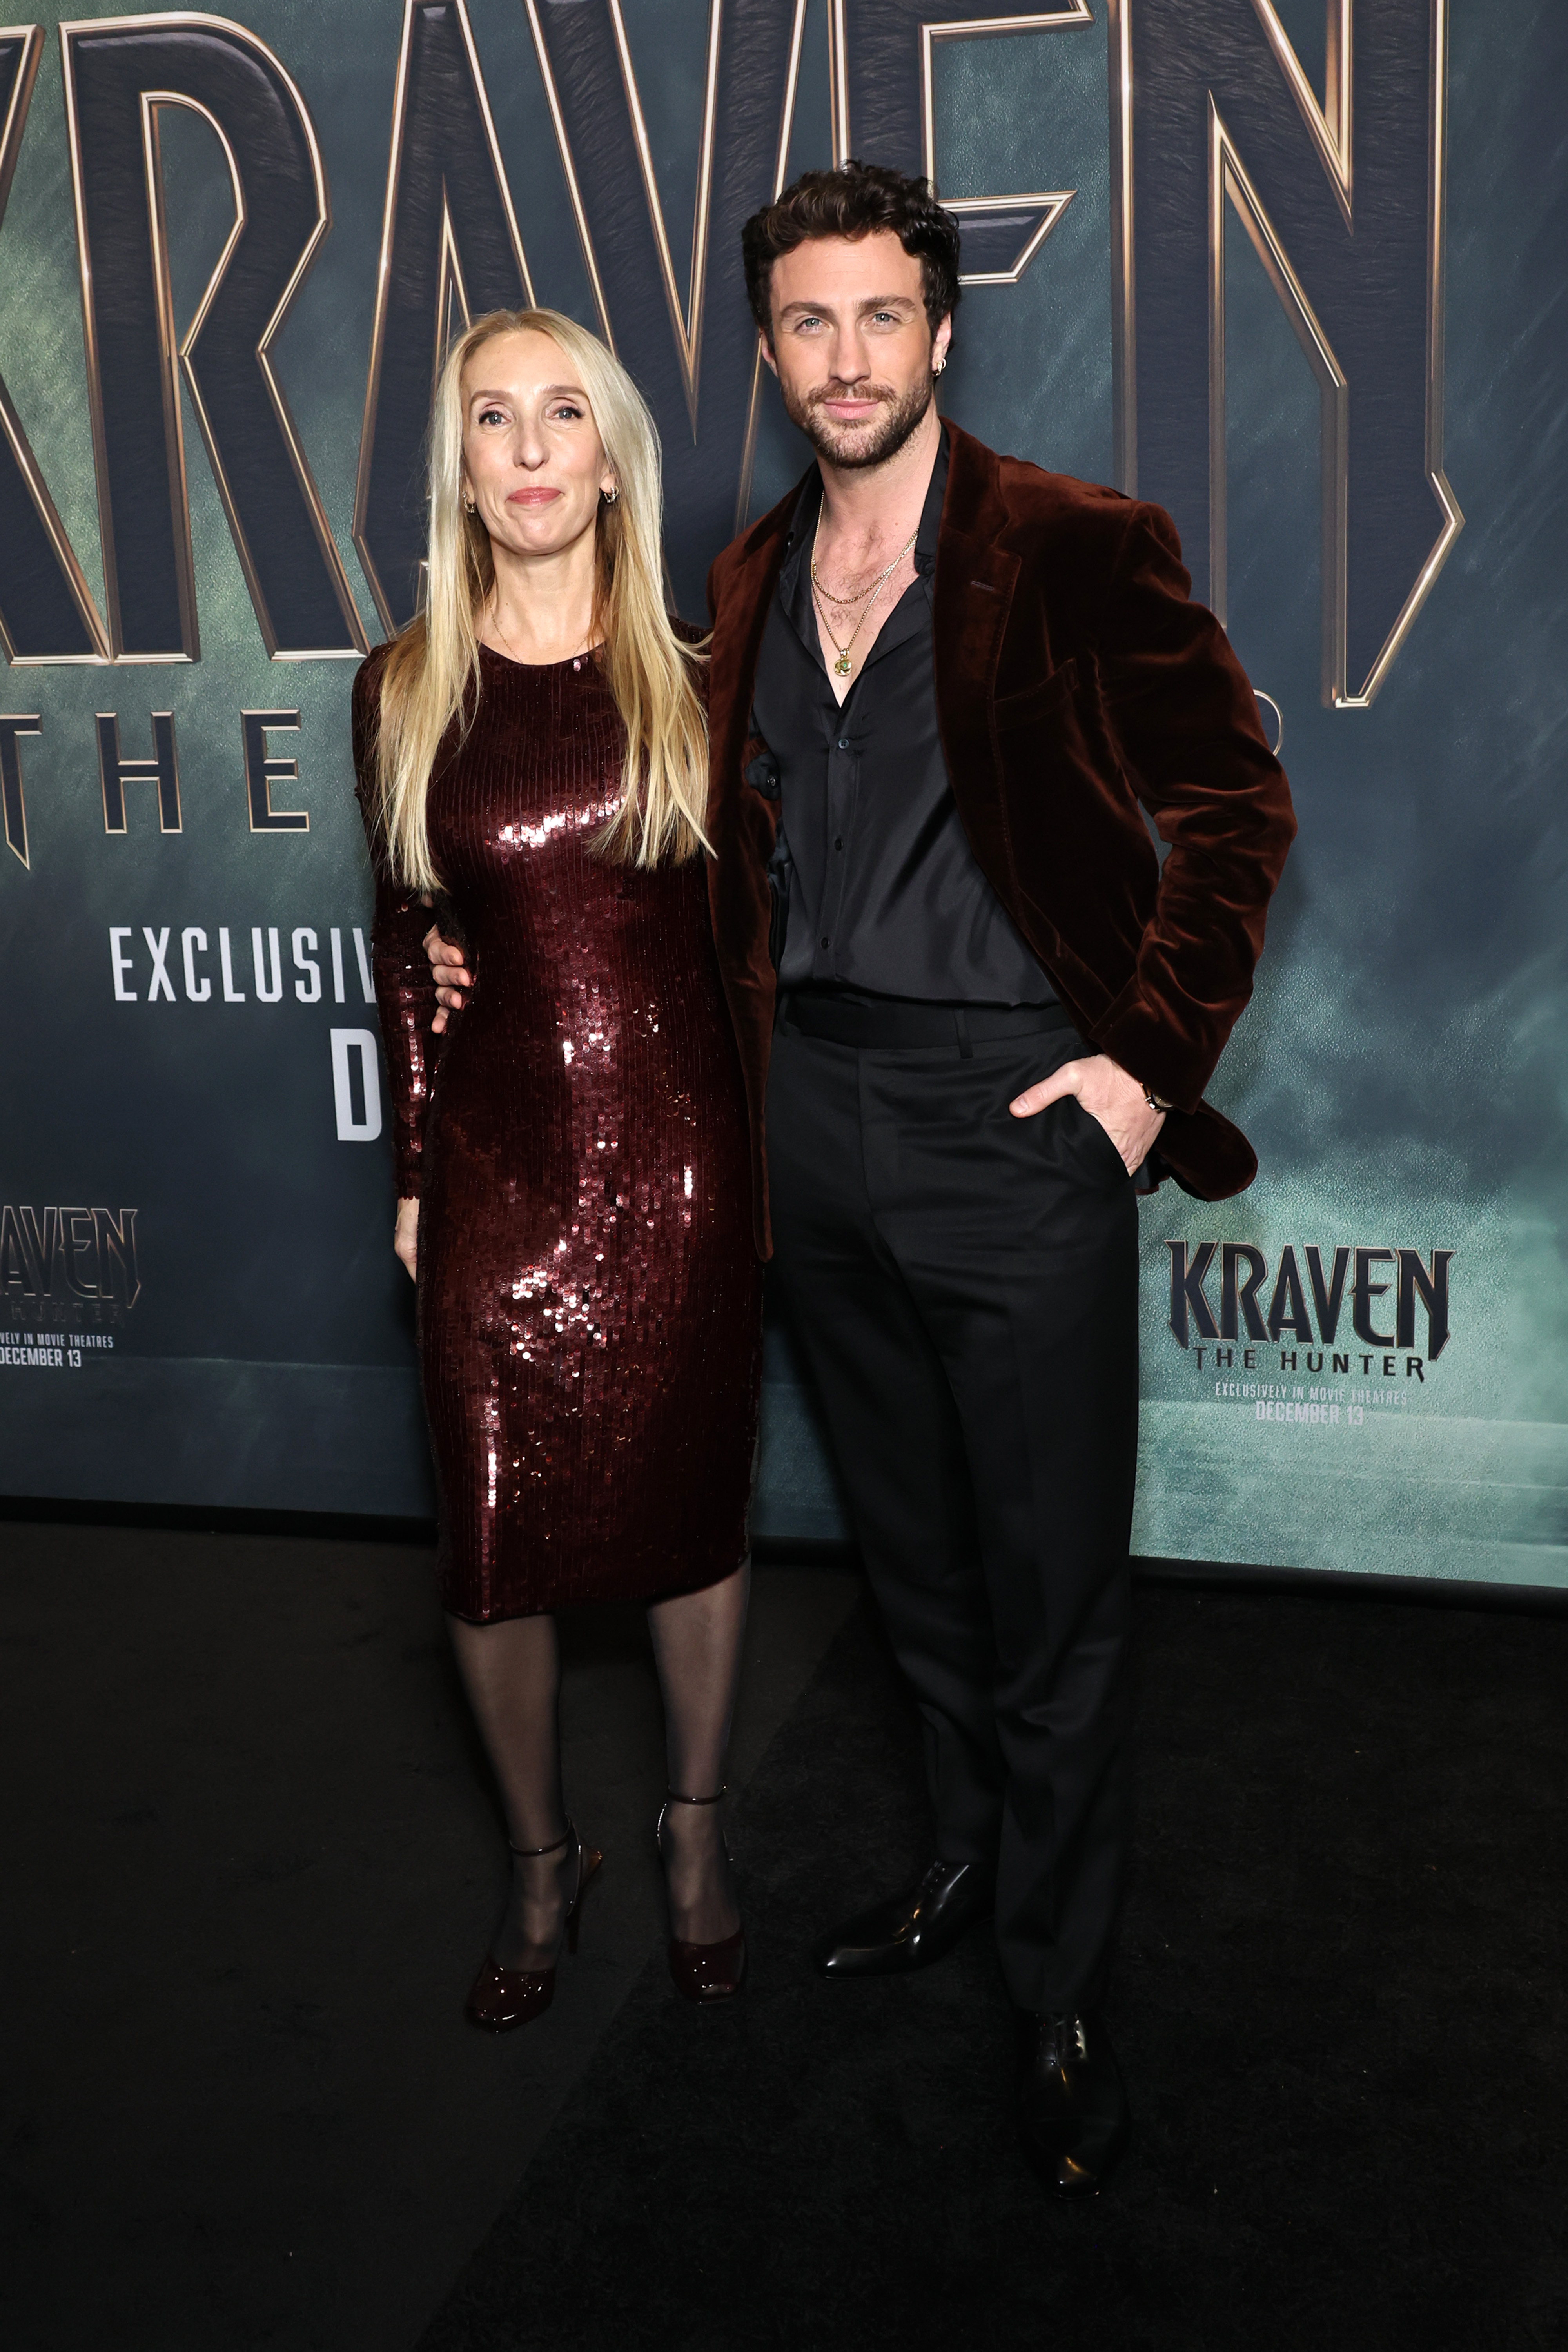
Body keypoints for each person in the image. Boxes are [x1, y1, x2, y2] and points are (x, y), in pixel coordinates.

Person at [426, 165, 1295, 2192]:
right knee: (916, 1570)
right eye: (807, 324)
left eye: (880, 319)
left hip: (1019, 1128)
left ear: (942, 333)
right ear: (767, 349)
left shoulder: (1077, 549)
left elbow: (1235, 800)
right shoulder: (730, 588)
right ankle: (971, 1863)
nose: (844, 359)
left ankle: (1061, 1989)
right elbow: (661, 863)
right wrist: (463, 940)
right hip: (808, 1129)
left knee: (1054, 1595)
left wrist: (1147, 1072)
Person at [353, 306, 761, 2031]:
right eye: (492, 420)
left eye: (561, 415)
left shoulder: (696, 663)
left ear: (610, 456)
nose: (527, 450)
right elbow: (405, 945)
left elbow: (763, 936)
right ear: (458, 461)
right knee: (492, 1541)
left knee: (688, 1525)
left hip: (678, 1172)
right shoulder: (400, 685)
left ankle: (688, 1835)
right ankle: (540, 1858)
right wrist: (419, 1174)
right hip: (496, 1183)